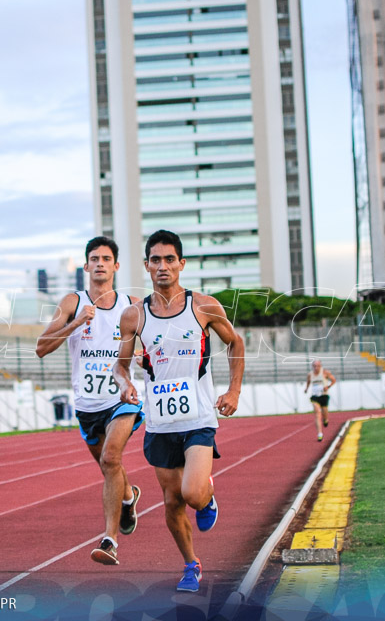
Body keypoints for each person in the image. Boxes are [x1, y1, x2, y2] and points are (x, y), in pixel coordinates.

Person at [114, 229, 244, 593]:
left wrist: (234, 389)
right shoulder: (133, 316)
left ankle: (207, 494)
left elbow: (236, 342)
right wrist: (125, 383)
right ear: (146, 266)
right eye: (155, 260)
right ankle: (191, 564)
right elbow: (121, 364)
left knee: (191, 493)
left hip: (199, 417)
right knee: (172, 503)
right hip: (159, 422)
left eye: (170, 259)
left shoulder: (202, 305)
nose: (163, 266)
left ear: (181, 264)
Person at [36, 236, 143, 567]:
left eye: (106, 258)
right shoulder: (72, 301)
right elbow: (41, 347)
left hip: (121, 397)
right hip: (87, 406)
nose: (100, 263)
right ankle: (128, 496)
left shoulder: (133, 305)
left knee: (112, 459)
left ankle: (109, 541)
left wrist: (143, 358)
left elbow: (156, 344)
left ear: (116, 266)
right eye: (94, 258)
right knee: (107, 465)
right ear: (86, 266)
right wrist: (76, 322)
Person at [304, 360, 336, 442]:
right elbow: (308, 382)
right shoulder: (310, 374)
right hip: (315, 396)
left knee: (324, 413)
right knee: (317, 413)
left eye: (317, 366)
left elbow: (333, 380)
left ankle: (326, 420)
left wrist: (328, 387)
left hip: (324, 395)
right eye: (314, 366)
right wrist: (306, 389)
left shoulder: (325, 372)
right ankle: (320, 434)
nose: (316, 368)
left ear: (320, 366)